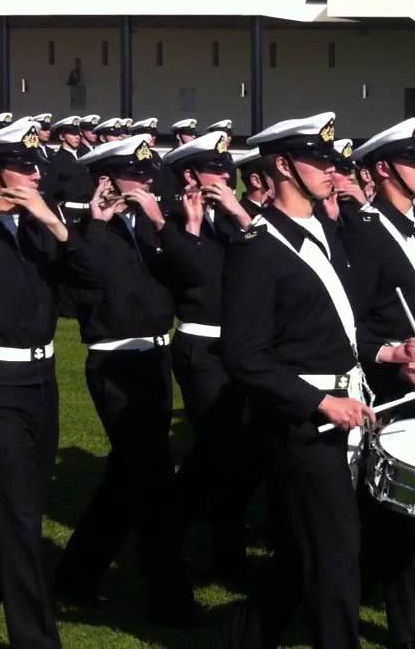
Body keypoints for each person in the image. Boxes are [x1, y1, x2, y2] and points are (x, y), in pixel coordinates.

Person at [222, 112, 415, 647]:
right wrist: (319, 403)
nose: (334, 171)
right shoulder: (258, 248)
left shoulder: (325, 232)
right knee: (335, 554)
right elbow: (242, 355)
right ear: (283, 166)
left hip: (349, 406)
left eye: (335, 161)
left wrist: (393, 353)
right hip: (305, 423)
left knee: (304, 549)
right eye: (320, 161)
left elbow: (337, 328)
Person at [54, 133, 196, 624]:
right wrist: (95, 222)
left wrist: (159, 221)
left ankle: (75, 575)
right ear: (105, 180)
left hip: (155, 360)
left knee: (127, 481)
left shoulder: (146, 227)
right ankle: (170, 602)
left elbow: (184, 276)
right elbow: (82, 285)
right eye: (133, 177)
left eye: (146, 175)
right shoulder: (84, 231)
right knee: (156, 485)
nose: (145, 183)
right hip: (116, 364)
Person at [345, 117, 415, 649]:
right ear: (385, 168)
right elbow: (351, 323)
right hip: (393, 386)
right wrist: (393, 357)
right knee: (399, 514)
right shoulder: (365, 232)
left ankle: (372, 589)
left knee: (405, 514)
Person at [159, 131, 262, 581]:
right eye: (215, 170)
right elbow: (199, 277)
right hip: (202, 347)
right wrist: (195, 227)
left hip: (237, 346)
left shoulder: (233, 218)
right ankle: (224, 555)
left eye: (228, 170)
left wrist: (239, 212)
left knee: (225, 451)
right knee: (224, 453)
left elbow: (267, 253)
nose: (225, 177)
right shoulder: (177, 220)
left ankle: (173, 521)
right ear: (189, 175)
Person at [0, 119, 76, 649]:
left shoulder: (35, 227)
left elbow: (87, 282)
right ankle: (35, 639)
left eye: (36, 167)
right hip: (0, 384)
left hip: (42, 379)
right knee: (21, 517)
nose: (33, 176)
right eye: (22, 166)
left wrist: (53, 222)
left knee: (19, 505)